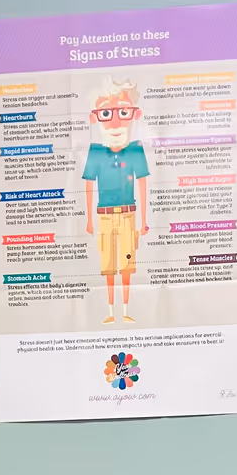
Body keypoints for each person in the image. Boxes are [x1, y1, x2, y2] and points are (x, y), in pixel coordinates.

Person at [81, 77, 150, 326]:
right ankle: (110, 311)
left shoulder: (135, 150)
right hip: (104, 216)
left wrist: (143, 221)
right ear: (94, 117)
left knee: (128, 265)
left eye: (123, 111)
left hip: (128, 215)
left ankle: (126, 309)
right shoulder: (96, 152)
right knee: (108, 265)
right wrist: (89, 219)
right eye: (106, 113)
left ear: (135, 114)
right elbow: (89, 185)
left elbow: (142, 184)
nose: (115, 122)